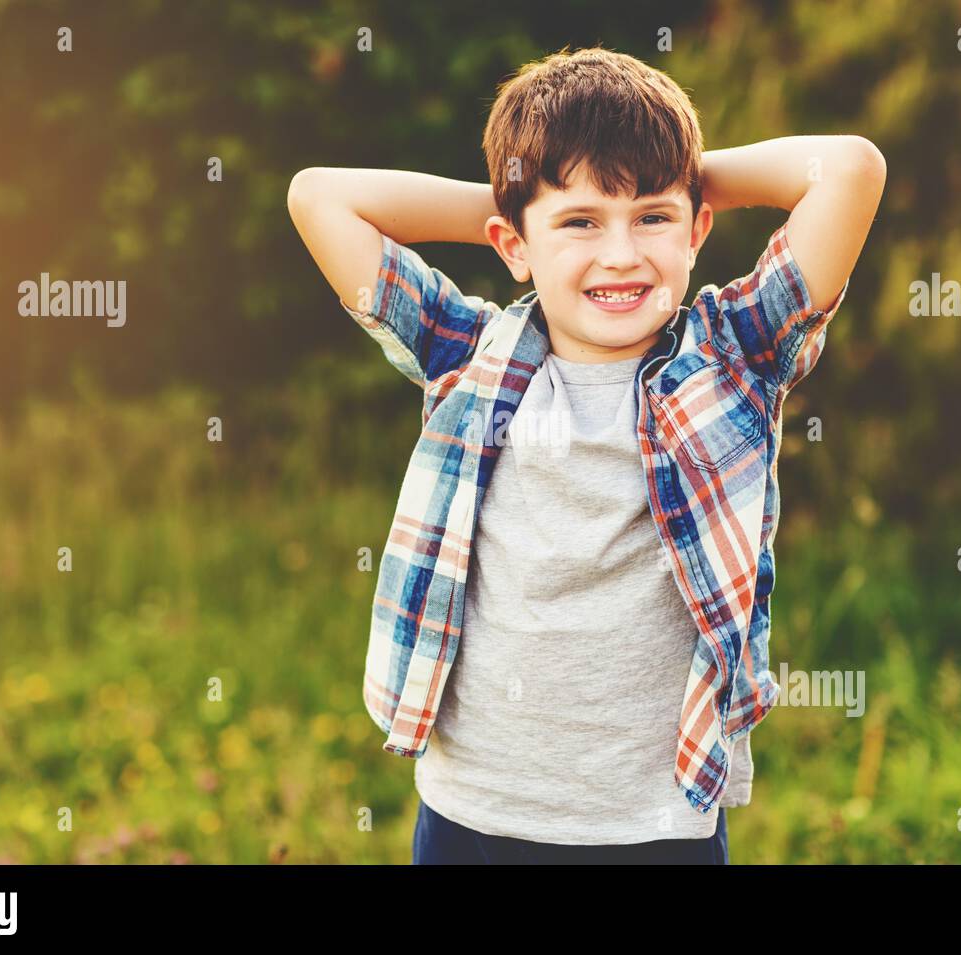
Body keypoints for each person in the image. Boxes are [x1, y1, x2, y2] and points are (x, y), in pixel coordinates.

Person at [287, 46, 885, 864]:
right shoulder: (467, 351)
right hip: (476, 812)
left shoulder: (735, 356)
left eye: (652, 217)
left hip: (655, 822)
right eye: (581, 224)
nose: (620, 254)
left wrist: (668, 174)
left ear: (698, 226)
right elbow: (319, 197)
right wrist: (522, 204)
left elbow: (850, 170)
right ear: (512, 245)